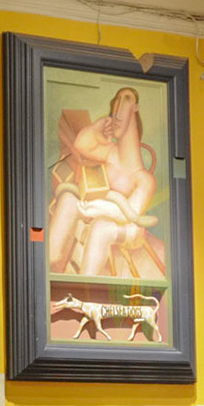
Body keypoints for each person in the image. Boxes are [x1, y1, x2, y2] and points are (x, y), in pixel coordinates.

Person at [45, 86, 168, 279]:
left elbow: (130, 214)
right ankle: (50, 271)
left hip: (126, 229)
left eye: (125, 100)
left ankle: (85, 289)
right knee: (69, 199)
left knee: (101, 227)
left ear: (135, 107)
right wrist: (99, 125)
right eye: (115, 105)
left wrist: (100, 208)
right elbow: (81, 144)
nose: (117, 111)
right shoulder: (110, 153)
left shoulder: (144, 179)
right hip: (96, 212)